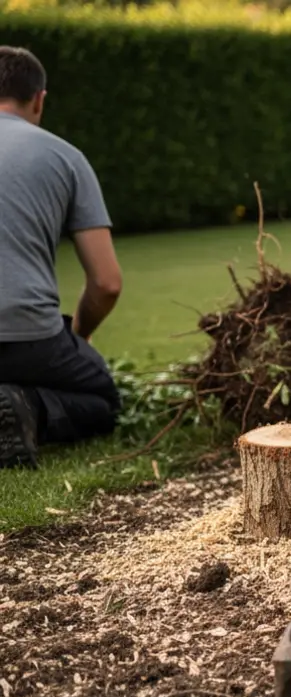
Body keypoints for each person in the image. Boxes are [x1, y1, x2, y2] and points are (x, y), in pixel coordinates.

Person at [0, 45, 123, 469]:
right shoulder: (65, 157)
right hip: (30, 339)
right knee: (102, 399)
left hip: (26, 341)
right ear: (39, 99)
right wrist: (81, 337)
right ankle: (28, 407)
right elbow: (107, 283)